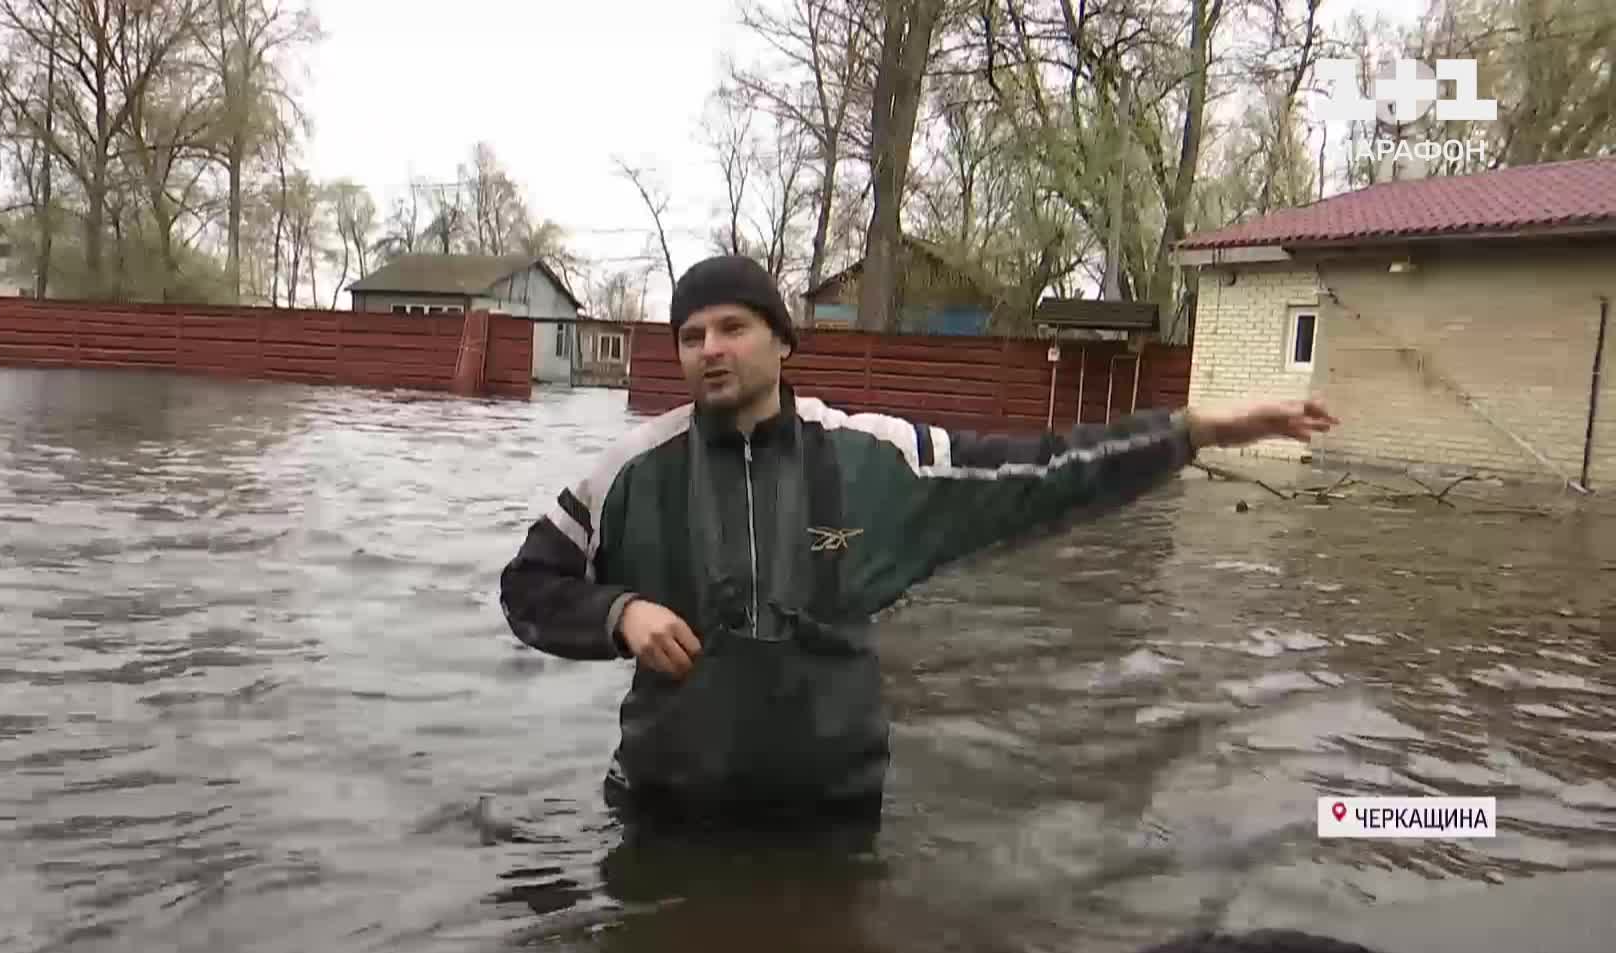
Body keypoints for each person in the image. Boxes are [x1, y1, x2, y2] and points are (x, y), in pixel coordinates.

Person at [498, 254, 1337, 831]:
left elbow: (1041, 473)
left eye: (732, 327)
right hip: (664, 813)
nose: (710, 349)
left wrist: (1189, 431)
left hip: (827, 816)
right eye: (691, 335)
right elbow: (528, 586)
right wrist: (621, 613)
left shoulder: (876, 459)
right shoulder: (631, 472)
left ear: (782, 341)